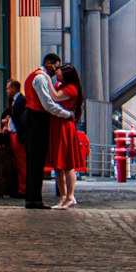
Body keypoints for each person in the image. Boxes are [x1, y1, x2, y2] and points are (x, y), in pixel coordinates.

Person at [19, 54, 72, 209]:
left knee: (33, 161)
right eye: (56, 67)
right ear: (48, 64)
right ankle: (34, 199)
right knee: (36, 161)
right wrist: (67, 114)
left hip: (31, 117)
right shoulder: (41, 78)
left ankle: (32, 198)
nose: (56, 71)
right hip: (36, 119)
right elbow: (47, 103)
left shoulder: (34, 76)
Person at [48, 63, 86, 209]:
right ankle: (63, 196)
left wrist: (47, 82)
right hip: (59, 125)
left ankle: (69, 196)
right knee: (58, 165)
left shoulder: (71, 89)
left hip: (64, 127)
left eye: (59, 71)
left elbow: (56, 97)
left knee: (67, 164)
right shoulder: (63, 86)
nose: (57, 73)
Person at [1, 79, 27, 197]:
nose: (7, 91)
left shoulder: (20, 101)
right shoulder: (15, 101)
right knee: (18, 162)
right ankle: (20, 187)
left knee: (21, 162)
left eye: (8, 88)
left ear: (14, 88)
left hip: (17, 134)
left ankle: (23, 189)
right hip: (14, 133)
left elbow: (20, 120)